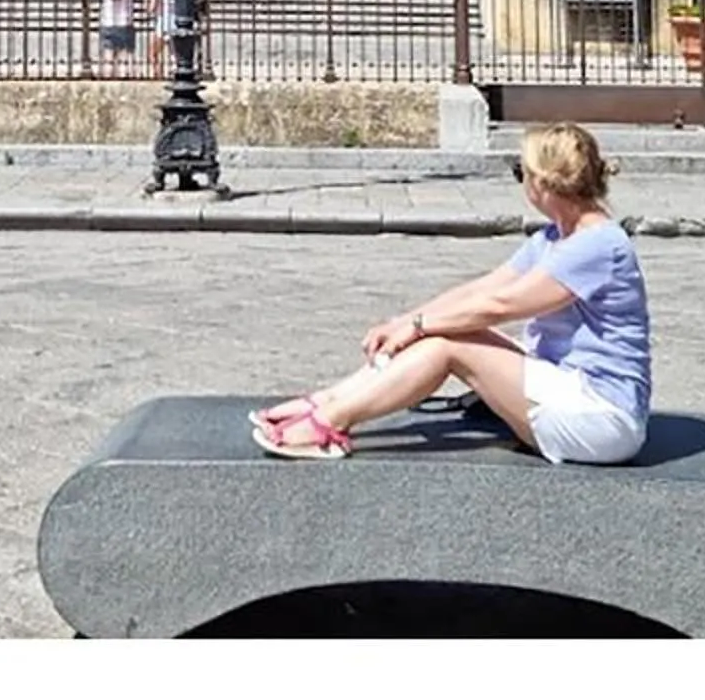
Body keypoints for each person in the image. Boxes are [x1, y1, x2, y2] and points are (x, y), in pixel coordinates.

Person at [252, 122, 649, 464]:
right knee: (446, 335)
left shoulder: (598, 245)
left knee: (447, 347)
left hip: (603, 417)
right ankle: (325, 403)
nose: (520, 182)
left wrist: (420, 326)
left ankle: (330, 425)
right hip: (568, 389)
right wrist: (405, 322)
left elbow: (501, 305)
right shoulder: (554, 238)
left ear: (544, 182)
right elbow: (484, 287)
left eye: (519, 171)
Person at [98, 0, 134, 65]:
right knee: (123, 60)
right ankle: (123, 80)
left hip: (108, 21)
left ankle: (108, 80)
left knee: (108, 59)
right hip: (125, 22)